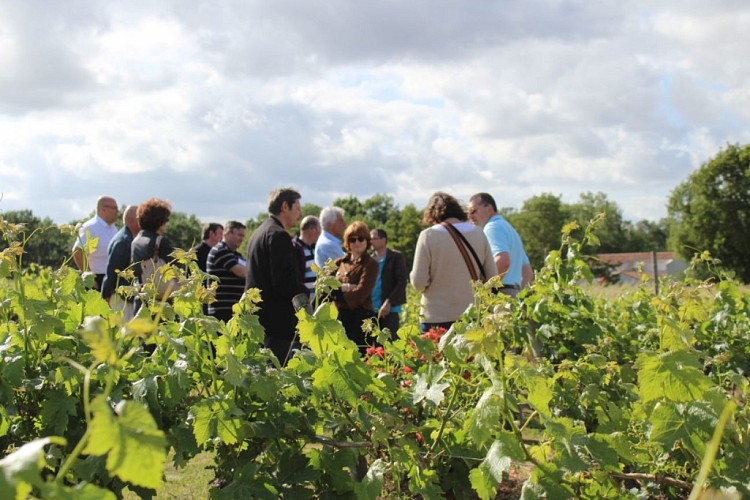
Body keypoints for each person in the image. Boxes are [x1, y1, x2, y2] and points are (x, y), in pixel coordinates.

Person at [410, 192, 497, 333]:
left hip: (436, 317)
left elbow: (419, 282)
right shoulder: (479, 233)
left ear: (432, 214)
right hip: (472, 315)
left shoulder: (428, 236)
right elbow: (492, 277)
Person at [245, 188, 309, 365]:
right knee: (279, 378)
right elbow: (283, 281)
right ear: (285, 206)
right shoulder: (278, 235)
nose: (300, 213)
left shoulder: (258, 233)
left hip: (259, 320)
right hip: (277, 323)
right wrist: (305, 294)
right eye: (297, 207)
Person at [467, 192, 534, 297]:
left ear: (489, 209)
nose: (470, 216)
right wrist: (517, 297)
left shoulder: (492, 227)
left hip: (499, 294)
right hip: (513, 294)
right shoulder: (510, 229)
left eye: (473, 211)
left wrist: (487, 291)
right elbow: (528, 273)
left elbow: (503, 261)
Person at [331, 222, 378, 351]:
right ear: (348, 242)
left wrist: (337, 292)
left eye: (361, 239)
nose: (357, 243)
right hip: (339, 317)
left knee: (359, 359)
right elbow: (325, 286)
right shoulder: (339, 262)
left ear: (367, 241)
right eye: (353, 239)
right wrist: (346, 287)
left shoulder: (370, 264)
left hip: (361, 318)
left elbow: (361, 293)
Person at [72, 195, 119, 290]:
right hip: (97, 279)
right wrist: (88, 276)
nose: (117, 211)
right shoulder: (90, 227)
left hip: (111, 279)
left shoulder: (114, 229)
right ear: (103, 209)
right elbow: (77, 251)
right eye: (114, 208)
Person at [101, 205, 140, 319]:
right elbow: (113, 272)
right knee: (124, 333)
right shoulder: (123, 241)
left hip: (124, 297)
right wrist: (106, 295)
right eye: (140, 219)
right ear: (133, 220)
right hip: (121, 300)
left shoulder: (127, 237)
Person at [207, 221, 247, 322]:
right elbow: (242, 272)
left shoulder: (236, 255)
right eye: (239, 235)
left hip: (233, 311)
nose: (241, 238)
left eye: (243, 236)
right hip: (222, 311)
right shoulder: (220, 250)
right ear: (228, 233)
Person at [369, 228, 407, 335]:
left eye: (373, 239)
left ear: (383, 239)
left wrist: (388, 302)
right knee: (373, 346)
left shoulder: (395, 257)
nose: (370, 242)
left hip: (390, 308)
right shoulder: (369, 259)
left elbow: (401, 282)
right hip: (372, 308)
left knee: (390, 344)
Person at [131, 198, 175, 285]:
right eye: (166, 220)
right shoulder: (159, 242)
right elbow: (176, 269)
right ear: (159, 221)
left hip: (141, 292)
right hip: (159, 294)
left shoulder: (136, 241)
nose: (167, 223)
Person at [292, 215, 321, 297]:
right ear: (313, 230)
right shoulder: (295, 249)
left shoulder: (312, 248)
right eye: (319, 230)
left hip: (314, 303)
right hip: (304, 303)